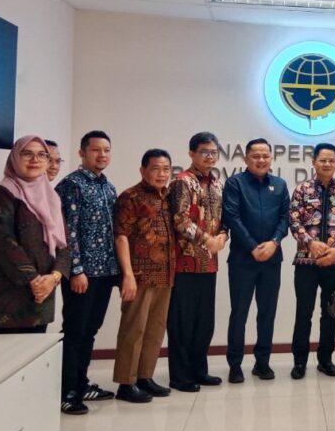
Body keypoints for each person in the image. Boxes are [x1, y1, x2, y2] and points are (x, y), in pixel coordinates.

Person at [0, 136, 69, 335]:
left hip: (41, 300)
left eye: (42, 155)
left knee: (35, 354)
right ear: (15, 157)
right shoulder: (2, 193)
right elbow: (3, 242)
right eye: (27, 153)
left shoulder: (51, 197)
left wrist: (54, 277)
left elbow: (66, 242)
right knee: (0, 355)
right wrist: (34, 281)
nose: (35, 160)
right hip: (4, 301)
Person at [56, 130, 120, 415]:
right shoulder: (72, 185)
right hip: (82, 274)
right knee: (75, 330)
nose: (102, 155)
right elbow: (67, 231)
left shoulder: (108, 187)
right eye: (96, 150)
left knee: (90, 330)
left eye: (106, 150)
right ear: (82, 153)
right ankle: (67, 391)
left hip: (105, 273)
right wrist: (76, 269)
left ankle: (81, 384)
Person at [222, 138, 289, 383]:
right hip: (242, 259)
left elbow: (285, 218)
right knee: (239, 312)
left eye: (265, 156)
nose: (261, 160)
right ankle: (235, 365)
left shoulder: (280, 185)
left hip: (272, 259)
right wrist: (253, 246)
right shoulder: (235, 183)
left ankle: (262, 363)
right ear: (246, 158)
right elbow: (232, 217)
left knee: (267, 313)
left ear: (271, 158)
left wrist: (274, 242)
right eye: (256, 156)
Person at [112, 149, 176, 404]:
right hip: (139, 275)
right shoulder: (130, 197)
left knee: (155, 329)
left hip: (165, 275)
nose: (161, 174)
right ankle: (126, 383)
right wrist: (127, 274)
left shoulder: (168, 197)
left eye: (166, 169)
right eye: (155, 168)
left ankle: (144, 376)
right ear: (143, 170)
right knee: (133, 329)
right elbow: (121, 236)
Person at [289, 142, 335, 379]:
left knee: (330, 313)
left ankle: (325, 360)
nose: (327, 164)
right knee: (303, 313)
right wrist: (310, 243)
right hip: (306, 263)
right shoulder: (302, 189)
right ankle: (299, 362)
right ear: (314, 162)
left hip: (334, 264)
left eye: (331, 160)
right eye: (322, 160)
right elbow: (294, 221)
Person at [167, 132, 228, 392]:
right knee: (182, 322)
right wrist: (207, 240)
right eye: (204, 152)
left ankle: (199, 370)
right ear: (191, 153)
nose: (210, 156)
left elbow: (223, 219)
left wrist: (223, 236)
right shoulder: (182, 182)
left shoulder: (217, 183)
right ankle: (180, 376)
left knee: (204, 322)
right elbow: (179, 220)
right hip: (185, 263)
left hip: (209, 264)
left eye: (213, 152)